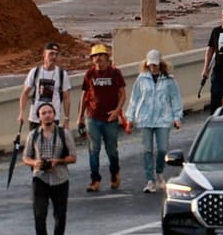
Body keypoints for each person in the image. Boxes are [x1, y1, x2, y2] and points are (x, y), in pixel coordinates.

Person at [123, 50, 182, 193]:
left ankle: (159, 173)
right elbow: (134, 99)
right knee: (147, 150)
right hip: (145, 119)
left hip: (163, 118)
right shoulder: (141, 79)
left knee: (162, 148)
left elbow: (175, 98)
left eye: (155, 65)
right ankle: (150, 180)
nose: (153, 68)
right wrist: (129, 118)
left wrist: (177, 117)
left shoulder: (169, 80)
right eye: (150, 65)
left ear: (160, 64)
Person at [22, 103, 75, 235]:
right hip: (40, 179)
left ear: (54, 115)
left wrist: (57, 161)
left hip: (60, 179)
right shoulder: (33, 135)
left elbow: (73, 157)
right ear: (39, 117)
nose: (47, 115)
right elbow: (25, 157)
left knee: (60, 215)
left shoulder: (63, 134)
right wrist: (35, 163)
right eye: (44, 113)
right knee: (39, 214)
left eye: (50, 112)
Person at [78, 45, 125, 193]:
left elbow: (122, 93)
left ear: (106, 57)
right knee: (94, 149)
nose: (97, 58)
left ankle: (114, 173)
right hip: (93, 117)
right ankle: (95, 179)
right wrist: (80, 117)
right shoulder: (89, 74)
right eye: (94, 56)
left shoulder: (115, 73)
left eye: (100, 55)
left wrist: (117, 111)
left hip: (110, 118)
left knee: (111, 149)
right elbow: (85, 96)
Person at [17, 43, 74, 134]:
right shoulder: (35, 72)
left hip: (53, 118)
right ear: (44, 54)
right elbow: (25, 93)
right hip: (35, 118)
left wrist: (66, 119)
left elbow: (66, 97)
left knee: (51, 145)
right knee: (35, 145)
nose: (54, 56)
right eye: (51, 53)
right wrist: (21, 113)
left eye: (56, 54)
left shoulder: (62, 74)